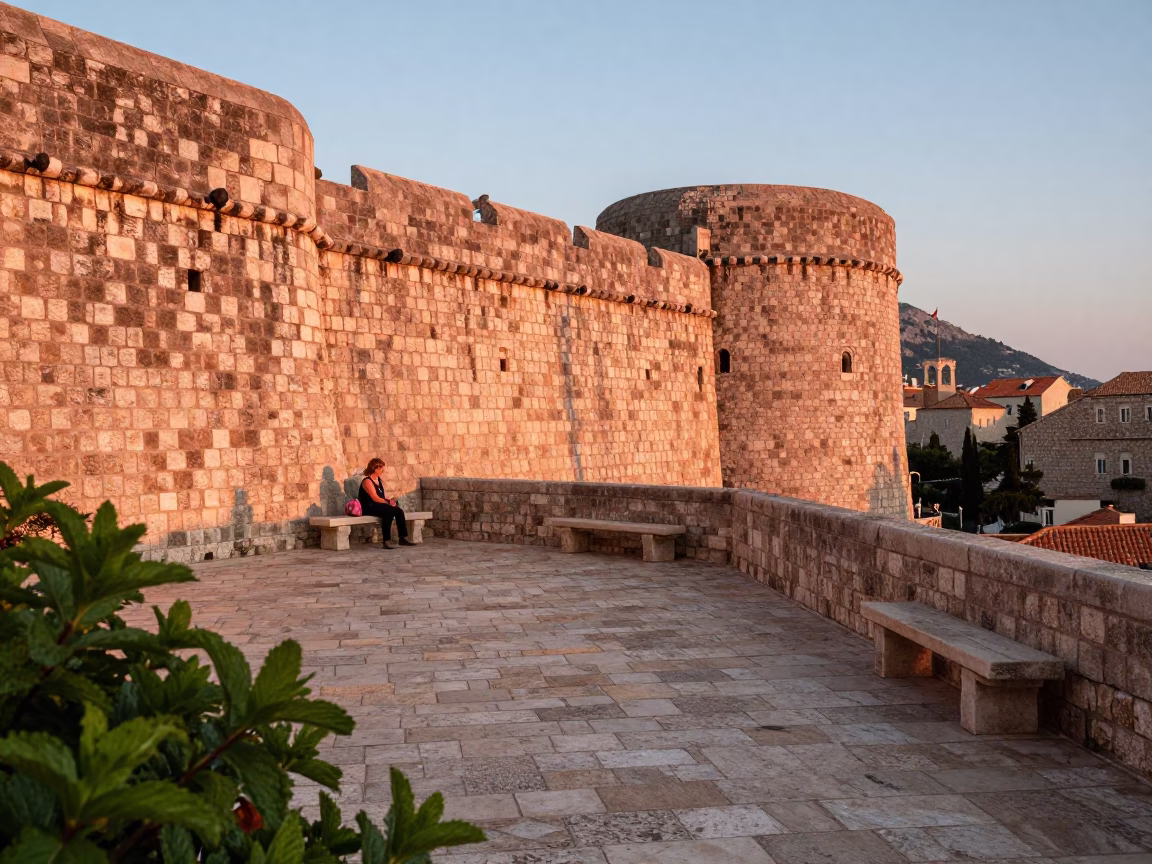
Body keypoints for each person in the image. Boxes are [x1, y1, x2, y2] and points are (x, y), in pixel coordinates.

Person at [358, 458, 414, 549]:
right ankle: (386, 540)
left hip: (378, 505)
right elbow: (375, 498)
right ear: (374, 469)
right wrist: (387, 503)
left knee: (398, 511)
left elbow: (382, 497)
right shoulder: (367, 481)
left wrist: (390, 501)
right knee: (389, 511)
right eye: (380, 469)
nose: (382, 471)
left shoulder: (378, 480)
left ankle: (402, 538)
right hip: (368, 506)